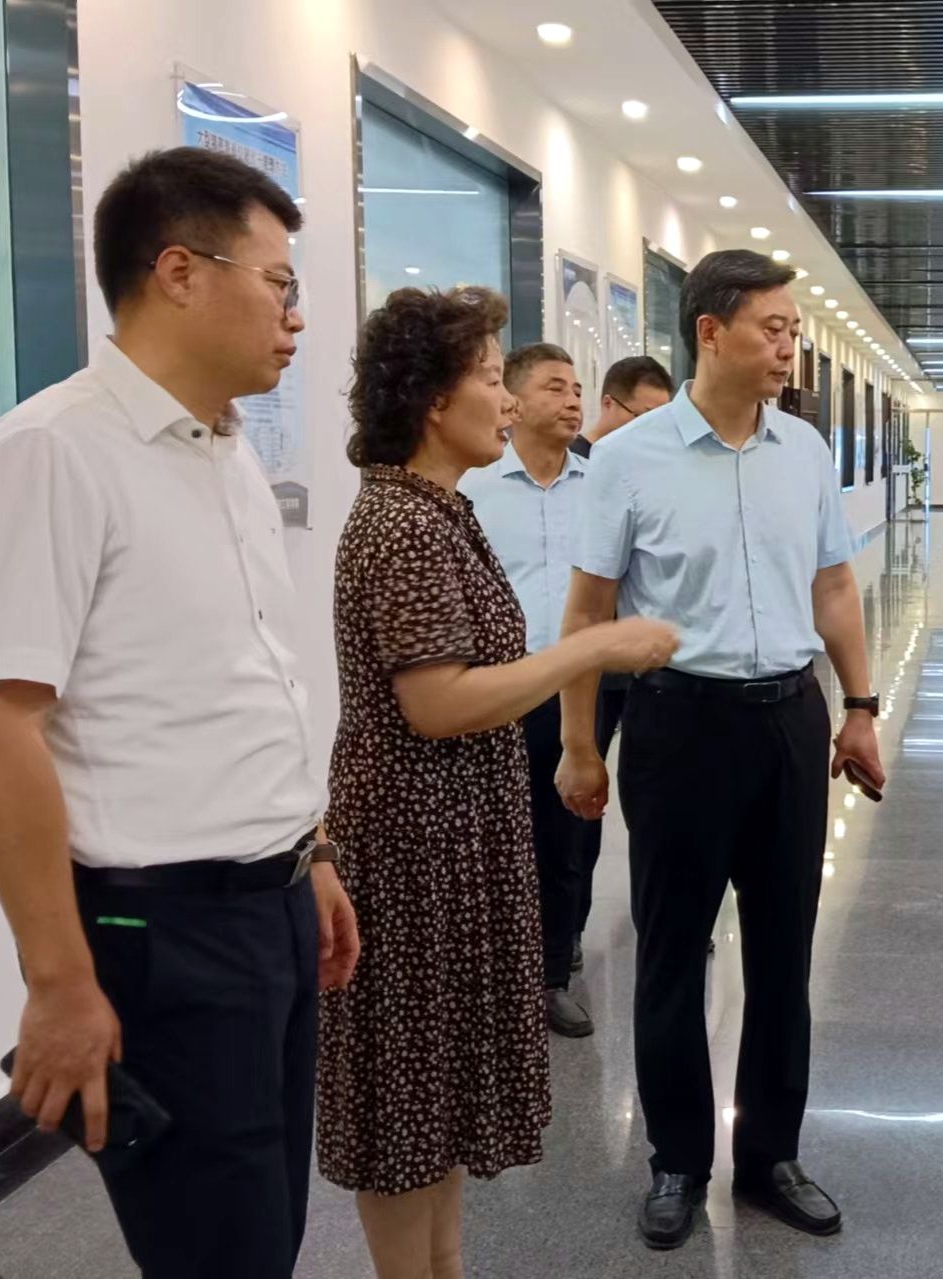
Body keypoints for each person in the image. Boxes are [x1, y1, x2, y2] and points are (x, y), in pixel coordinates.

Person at [0, 147, 359, 1278]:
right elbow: (3, 728)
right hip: (162, 931)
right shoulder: (53, 453)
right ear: (179, 272)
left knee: (267, 1231)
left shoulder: (224, 449)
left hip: (270, 905)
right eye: (278, 283)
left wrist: (312, 852)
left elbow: (241, 684)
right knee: (219, 1249)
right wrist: (57, 981)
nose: (295, 315)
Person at [317, 287, 677, 1279]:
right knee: (405, 1104)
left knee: (435, 1101)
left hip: (455, 839)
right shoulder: (402, 525)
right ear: (434, 400)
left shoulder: (440, 511)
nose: (508, 399)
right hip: (410, 850)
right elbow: (437, 703)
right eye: (488, 377)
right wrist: (592, 646)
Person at [555, 249, 885, 1250]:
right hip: (678, 726)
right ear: (711, 330)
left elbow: (834, 585)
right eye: (773, 329)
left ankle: (772, 1154)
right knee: (670, 953)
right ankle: (676, 1160)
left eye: (793, 331)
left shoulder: (804, 451)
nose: (789, 348)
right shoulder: (628, 458)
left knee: (784, 953)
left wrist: (860, 706)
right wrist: (578, 744)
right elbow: (588, 611)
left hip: (788, 722)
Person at [459, 342, 595, 1036]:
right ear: (513, 401)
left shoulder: (599, 485)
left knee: (568, 837)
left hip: (577, 686)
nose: (572, 400)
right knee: (493, 837)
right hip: (497, 688)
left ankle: (551, 976)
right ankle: (491, 974)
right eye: (554, 387)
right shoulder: (474, 487)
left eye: (577, 389)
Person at [566, 354, 677, 972]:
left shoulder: (656, 470)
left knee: (654, 808)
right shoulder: (578, 468)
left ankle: (667, 917)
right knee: (578, 807)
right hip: (584, 667)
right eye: (645, 416)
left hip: (640, 671)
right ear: (610, 405)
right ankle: (568, 933)